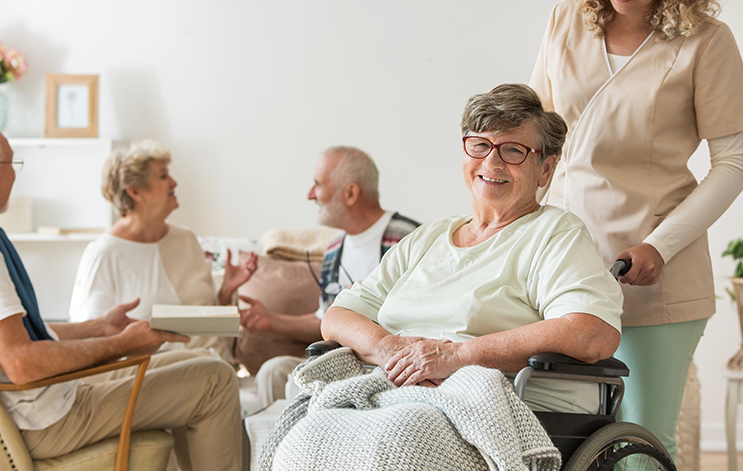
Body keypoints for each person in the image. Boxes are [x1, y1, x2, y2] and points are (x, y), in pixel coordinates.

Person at [529, 0, 743, 459]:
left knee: (641, 442)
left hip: (653, 272)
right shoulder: (565, 21)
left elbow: (734, 162)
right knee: (565, 440)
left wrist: (660, 245)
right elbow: (536, 136)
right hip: (568, 268)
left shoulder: (706, 44)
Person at [0, 124, 241, 471]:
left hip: (16, 408)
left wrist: (101, 327)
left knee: (191, 363)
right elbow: (22, 363)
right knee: (214, 378)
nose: (16, 178)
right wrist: (121, 344)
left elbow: (2, 338)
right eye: (13, 167)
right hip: (42, 419)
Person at [322, 84, 624, 414]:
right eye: (480, 145)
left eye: (513, 151)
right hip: (393, 391)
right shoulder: (428, 238)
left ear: (546, 169)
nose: (491, 162)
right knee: (308, 433)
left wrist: (455, 357)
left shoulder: (554, 234)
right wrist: (390, 349)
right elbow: (339, 316)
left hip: (494, 401)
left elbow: (591, 332)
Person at [240, 145, 420, 408]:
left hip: (388, 362)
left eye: (318, 185)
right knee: (274, 370)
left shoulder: (408, 238)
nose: (310, 194)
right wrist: (271, 321)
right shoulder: (334, 250)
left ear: (350, 193)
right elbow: (326, 320)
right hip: (339, 361)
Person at [68, 139, 258, 364]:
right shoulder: (104, 254)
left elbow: (204, 323)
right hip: (156, 376)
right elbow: (92, 337)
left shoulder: (186, 240)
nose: (174, 182)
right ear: (136, 192)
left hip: (215, 368)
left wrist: (225, 292)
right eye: (163, 176)